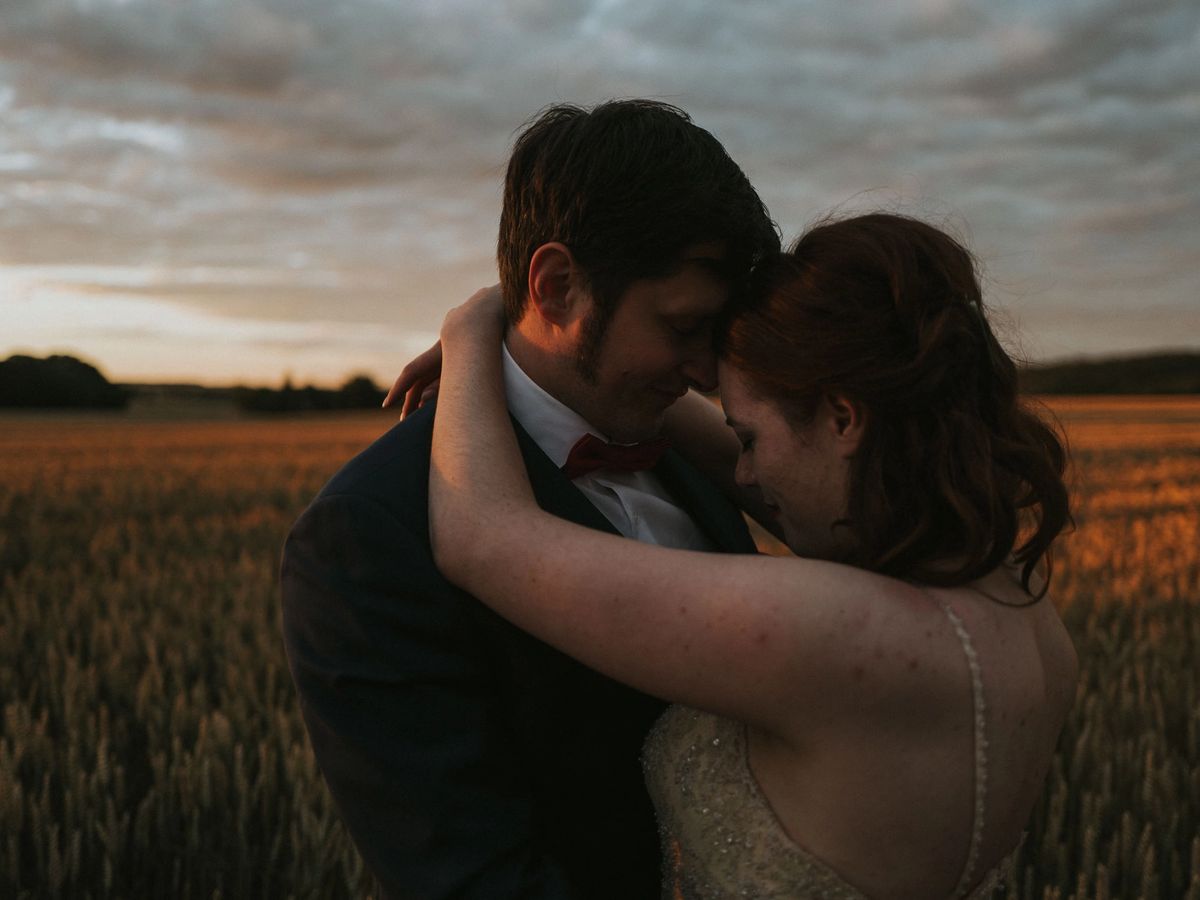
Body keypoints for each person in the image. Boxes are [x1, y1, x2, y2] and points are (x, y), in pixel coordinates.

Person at [412, 213, 1079, 899]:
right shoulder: (1028, 619)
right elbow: (742, 446)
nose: (746, 474)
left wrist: (479, 325)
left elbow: (481, 536)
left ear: (845, 418)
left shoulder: (844, 637)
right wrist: (553, 340)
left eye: (752, 439)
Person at [280, 99, 779, 899]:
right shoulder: (369, 533)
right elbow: (473, 877)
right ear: (555, 286)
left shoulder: (703, 454)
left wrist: (480, 319)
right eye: (685, 327)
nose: (709, 374)